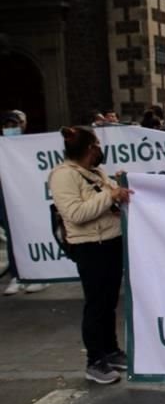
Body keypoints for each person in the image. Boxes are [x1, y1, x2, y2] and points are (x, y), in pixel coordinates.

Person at [48, 126, 133, 383]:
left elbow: (107, 201)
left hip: (109, 241)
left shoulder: (96, 173)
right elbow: (75, 214)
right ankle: (94, 360)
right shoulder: (63, 176)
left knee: (108, 302)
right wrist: (110, 195)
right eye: (96, 145)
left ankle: (110, 350)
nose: (100, 149)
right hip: (89, 246)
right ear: (89, 148)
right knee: (96, 303)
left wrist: (118, 190)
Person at [1, 111, 48, 296]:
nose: (11, 128)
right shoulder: (2, 146)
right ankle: (17, 275)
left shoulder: (32, 144)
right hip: (8, 196)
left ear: (24, 124)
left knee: (35, 232)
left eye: (15, 124)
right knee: (13, 235)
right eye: (8, 125)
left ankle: (40, 275)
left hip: (29, 196)